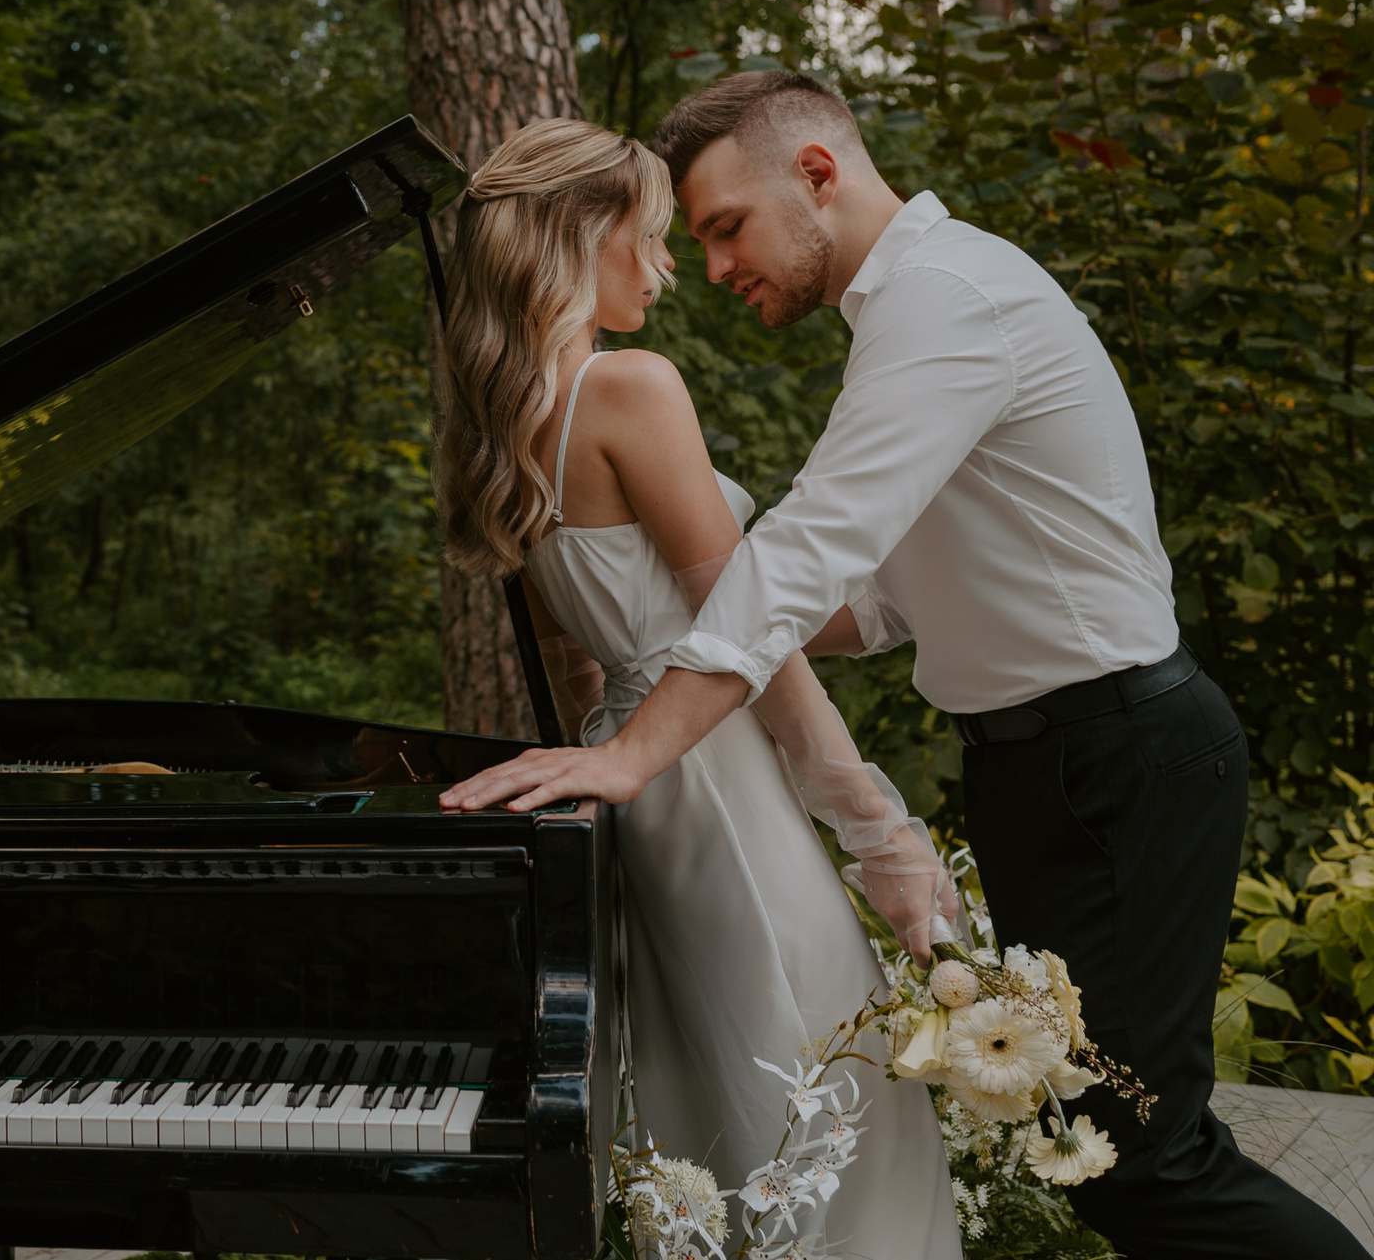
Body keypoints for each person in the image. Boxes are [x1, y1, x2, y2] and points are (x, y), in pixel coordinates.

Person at [445, 71, 1370, 1260]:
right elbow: (873, 597)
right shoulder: (879, 326)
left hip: (1121, 756)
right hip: (1032, 772)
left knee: (1138, 1154)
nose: (710, 267)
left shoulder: (943, 300)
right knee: (1072, 1138)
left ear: (817, 173)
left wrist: (638, 741)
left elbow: (799, 560)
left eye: (724, 225)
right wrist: (697, 622)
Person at [430, 117, 963, 1256]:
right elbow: (746, 636)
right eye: (656, 235)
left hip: (634, 791)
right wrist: (880, 834)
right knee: (832, 1096)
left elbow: (580, 663)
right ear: (583, 235)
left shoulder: (507, 427)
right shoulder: (630, 388)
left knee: (704, 1105)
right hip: (712, 774)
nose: (671, 266)